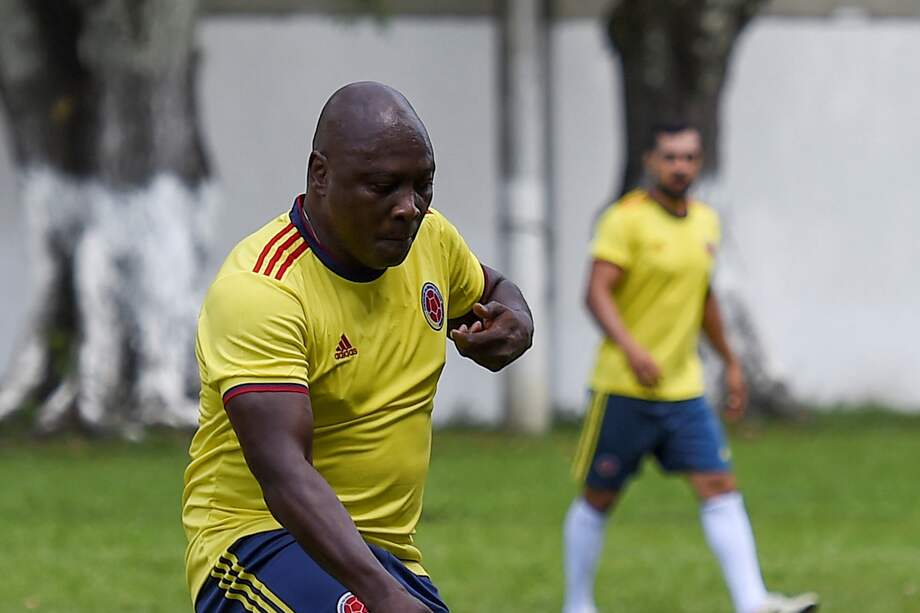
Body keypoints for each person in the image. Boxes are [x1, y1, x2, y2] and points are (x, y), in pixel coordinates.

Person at [182, 81, 534, 613]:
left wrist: (518, 321)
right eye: (383, 186)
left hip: (387, 555)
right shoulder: (261, 289)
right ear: (320, 175)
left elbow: (490, 289)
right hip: (260, 541)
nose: (408, 209)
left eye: (423, 186)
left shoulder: (432, 242)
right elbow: (283, 471)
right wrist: (383, 598)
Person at [561, 122, 818, 613]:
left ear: (699, 163)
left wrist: (731, 361)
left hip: (684, 388)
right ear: (651, 162)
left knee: (719, 485)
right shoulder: (625, 219)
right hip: (624, 387)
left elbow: (701, 299)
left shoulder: (705, 221)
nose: (680, 167)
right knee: (599, 496)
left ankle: (754, 602)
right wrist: (633, 349)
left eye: (689, 158)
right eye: (670, 157)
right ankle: (577, 604)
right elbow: (596, 293)